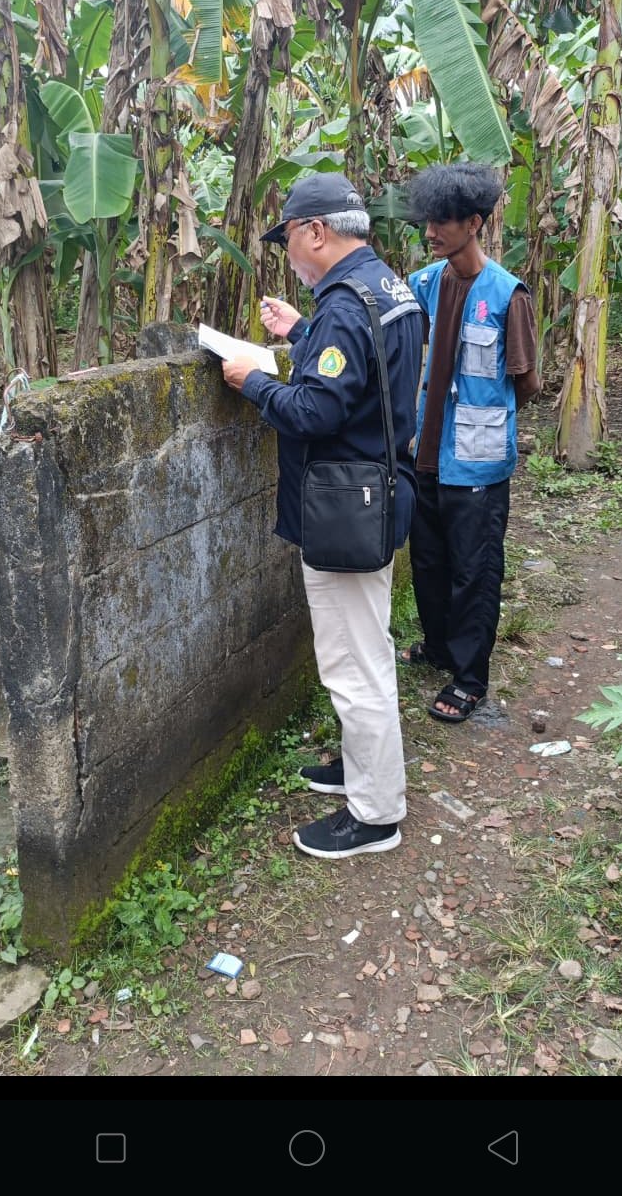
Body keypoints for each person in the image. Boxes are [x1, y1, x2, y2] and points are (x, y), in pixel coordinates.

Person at [220, 172, 423, 859]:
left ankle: (375, 815)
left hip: (344, 505)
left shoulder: (344, 302)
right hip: (380, 493)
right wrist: (302, 331)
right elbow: (364, 374)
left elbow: (318, 409)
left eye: (291, 242)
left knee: (353, 664)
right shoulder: (387, 288)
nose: (292, 258)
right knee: (366, 649)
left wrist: (256, 383)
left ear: (316, 231)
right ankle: (361, 772)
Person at [399, 161, 540, 723]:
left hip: (477, 465)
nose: (431, 232)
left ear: (475, 223)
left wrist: (484, 421)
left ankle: (469, 677)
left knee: (474, 571)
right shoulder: (425, 284)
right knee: (429, 564)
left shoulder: (508, 295)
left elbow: (525, 384)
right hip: (424, 456)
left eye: (443, 223)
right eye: (428, 221)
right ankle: (438, 647)